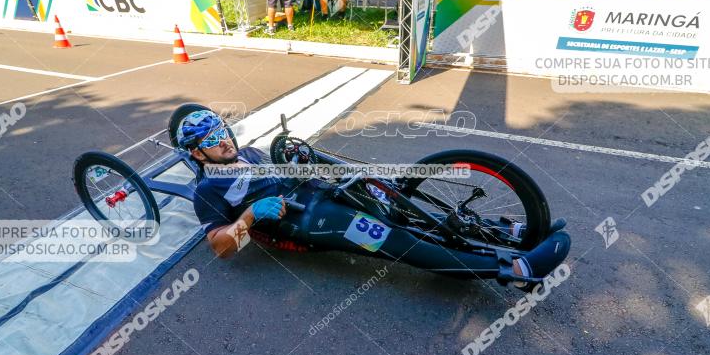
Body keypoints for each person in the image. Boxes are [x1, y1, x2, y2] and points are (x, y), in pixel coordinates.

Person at [180, 109, 571, 282]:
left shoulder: (246, 153)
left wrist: (305, 158)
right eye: (212, 139)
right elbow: (220, 249)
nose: (225, 140)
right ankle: (513, 271)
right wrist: (249, 216)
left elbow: (286, 170)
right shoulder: (206, 189)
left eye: (224, 129)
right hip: (303, 218)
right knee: (392, 238)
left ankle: (516, 233)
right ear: (197, 152)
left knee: (403, 205)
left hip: (317, 187)